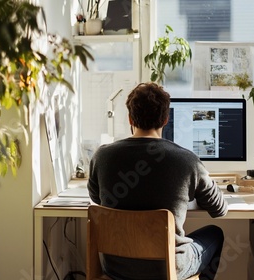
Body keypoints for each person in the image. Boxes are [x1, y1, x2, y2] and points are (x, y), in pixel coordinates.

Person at [87, 82, 228, 280]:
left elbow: (98, 199)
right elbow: (219, 209)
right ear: (165, 120)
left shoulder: (102, 156)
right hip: (168, 268)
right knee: (215, 233)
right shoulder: (187, 161)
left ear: (129, 118)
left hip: (116, 267)